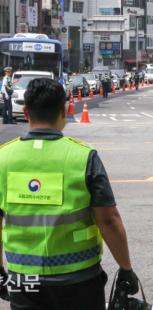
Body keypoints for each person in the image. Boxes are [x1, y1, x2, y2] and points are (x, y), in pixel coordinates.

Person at [0, 78, 139, 310]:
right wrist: (126, 268)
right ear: (64, 111)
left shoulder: (3, 158)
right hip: (78, 279)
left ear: (25, 112)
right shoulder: (83, 157)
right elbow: (109, 220)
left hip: (24, 279)